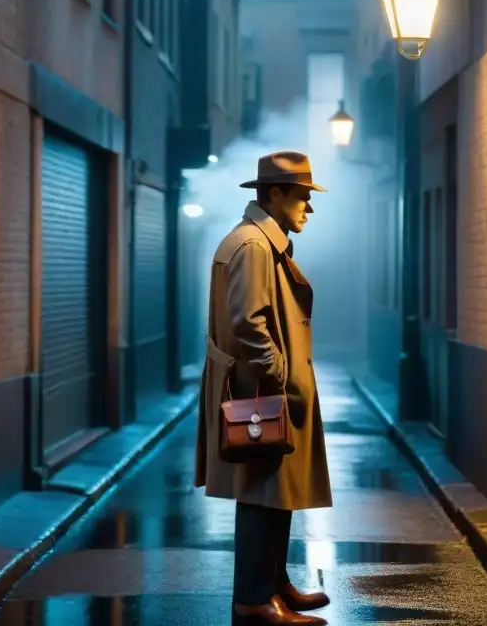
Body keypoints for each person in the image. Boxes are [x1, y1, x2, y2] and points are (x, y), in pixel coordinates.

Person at [195, 151, 334, 626]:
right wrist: (278, 373)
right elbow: (248, 321)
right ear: (273, 195)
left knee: (277, 489)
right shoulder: (255, 246)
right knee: (261, 491)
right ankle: (255, 600)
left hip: (263, 390)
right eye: (301, 197)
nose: (308, 208)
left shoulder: (261, 241)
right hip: (262, 393)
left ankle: (274, 583)